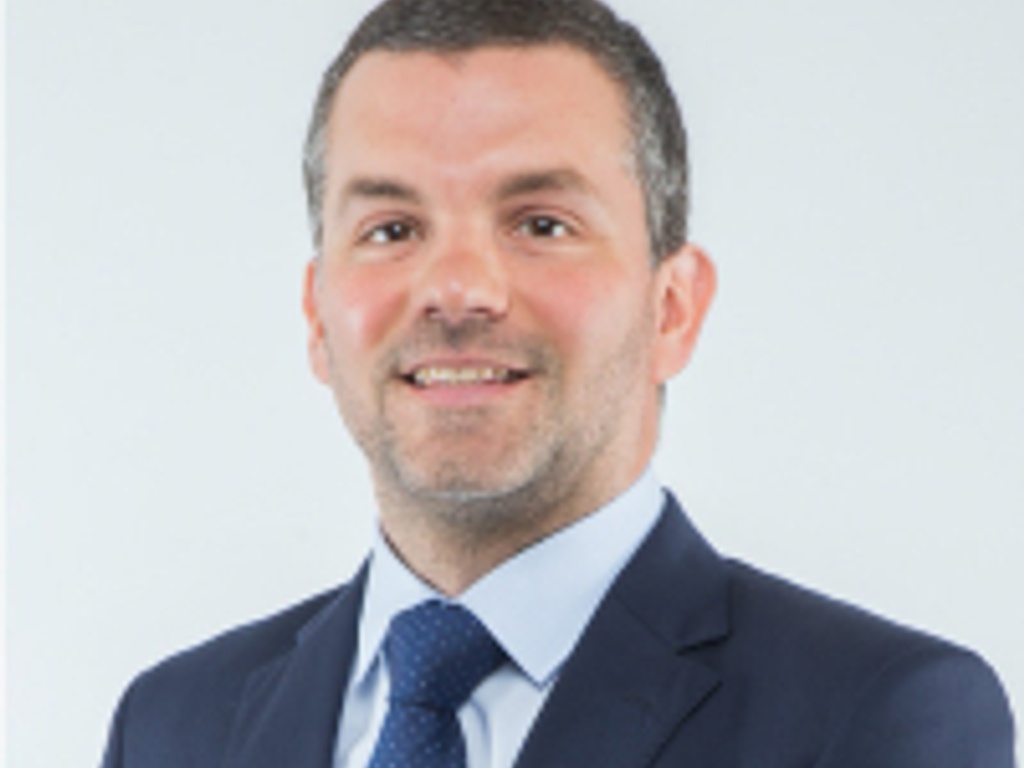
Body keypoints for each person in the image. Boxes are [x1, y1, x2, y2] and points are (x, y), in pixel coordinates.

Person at [100, 1, 1016, 766]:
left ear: (673, 309)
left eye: (540, 223)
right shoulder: (175, 726)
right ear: (317, 314)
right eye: (389, 228)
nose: (457, 288)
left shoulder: (879, 721)